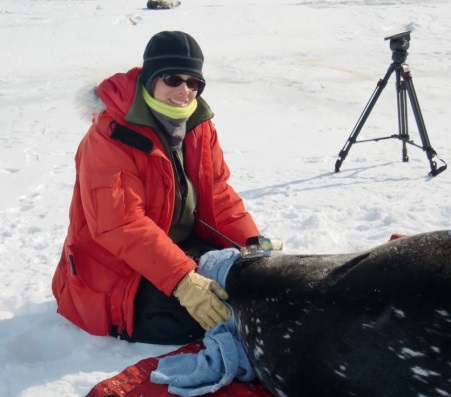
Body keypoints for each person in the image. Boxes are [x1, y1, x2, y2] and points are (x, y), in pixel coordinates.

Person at [52, 31, 260, 345]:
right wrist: (183, 280)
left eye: (193, 83)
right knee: (207, 315)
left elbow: (217, 195)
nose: (184, 91)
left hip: (172, 249)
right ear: (150, 79)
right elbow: (121, 224)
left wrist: (253, 246)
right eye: (173, 79)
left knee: (246, 284)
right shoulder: (110, 136)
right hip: (114, 271)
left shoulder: (199, 126)